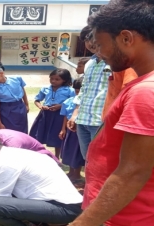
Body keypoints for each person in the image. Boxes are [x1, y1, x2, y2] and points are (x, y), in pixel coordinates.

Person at [70, 1, 154, 225]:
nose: (97, 52)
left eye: (99, 44)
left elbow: (132, 173)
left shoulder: (145, 92)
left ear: (126, 38)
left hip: (124, 217)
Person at [0, 135, 82, 226]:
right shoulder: (14, 153)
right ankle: (43, 221)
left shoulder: (7, 162)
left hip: (64, 209)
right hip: (62, 204)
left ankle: (51, 221)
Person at [67, 25, 111, 160]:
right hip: (83, 120)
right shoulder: (90, 63)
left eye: (94, 38)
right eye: (87, 39)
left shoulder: (114, 63)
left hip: (101, 121)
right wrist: (75, 114)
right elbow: (83, 90)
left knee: (102, 160)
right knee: (88, 159)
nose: (91, 43)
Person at [30, 68, 75, 158]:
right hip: (45, 114)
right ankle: (40, 155)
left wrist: (60, 106)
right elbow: (37, 100)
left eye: (57, 79)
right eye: (51, 78)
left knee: (57, 136)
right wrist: (41, 106)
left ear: (64, 80)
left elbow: (73, 103)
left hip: (60, 116)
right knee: (40, 134)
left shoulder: (70, 91)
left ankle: (56, 157)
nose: (53, 81)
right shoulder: (45, 88)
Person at [0, 65, 29, 133]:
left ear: (1, 73)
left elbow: (23, 90)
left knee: (22, 130)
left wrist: (26, 104)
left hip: (20, 107)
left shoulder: (17, 79)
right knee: (9, 132)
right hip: (6, 111)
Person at [59, 77, 85, 182]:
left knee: (77, 153)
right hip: (70, 130)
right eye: (76, 91)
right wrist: (63, 129)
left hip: (79, 130)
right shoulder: (68, 101)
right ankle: (71, 172)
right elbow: (65, 116)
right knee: (69, 151)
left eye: (80, 91)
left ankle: (77, 174)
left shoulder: (86, 103)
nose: (78, 93)